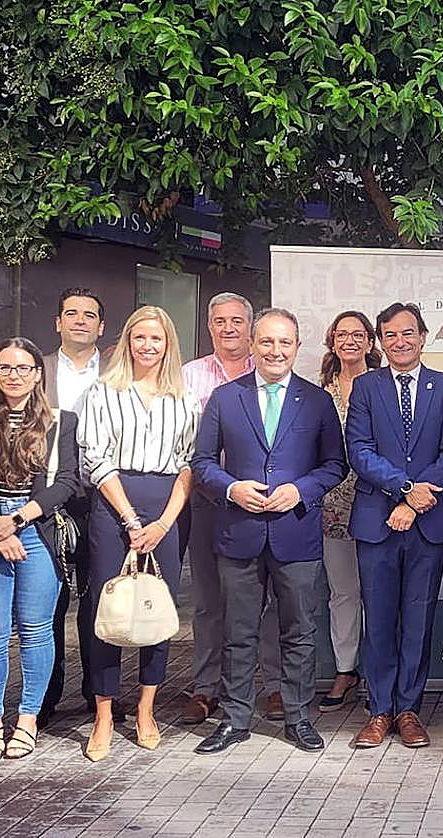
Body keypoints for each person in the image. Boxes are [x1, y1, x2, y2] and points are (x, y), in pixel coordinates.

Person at [191, 308, 348, 754]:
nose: (275, 351)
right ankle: (235, 719)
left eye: (285, 343)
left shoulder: (316, 401)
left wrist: (300, 491)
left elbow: (334, 465)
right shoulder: (225, 397)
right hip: (238, 532)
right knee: (238, 631)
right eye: (267, 342)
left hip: (295, 534)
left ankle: (298, 717)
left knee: (299, 631)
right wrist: (231, 488)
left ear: (297, 347)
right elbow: (201, 463)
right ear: (254, 345)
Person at [79, 306, 201, 761]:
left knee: (156, 607)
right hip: (115, 505)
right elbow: (96, 458)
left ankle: (147, 708)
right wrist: (132, 520)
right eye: (140, 338)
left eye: (157, 339)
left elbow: (189, 462)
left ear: (168, 345)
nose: (148, 346)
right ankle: (104, 713)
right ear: (127, 341)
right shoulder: (101, 393)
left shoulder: (184, 397)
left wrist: (165, 521)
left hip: (167, 507)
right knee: (106, 609)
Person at [0, 338, 81, 759]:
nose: (14, 375)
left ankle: (27, 719)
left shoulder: (61, 420)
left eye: (23, 368)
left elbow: (67, 484)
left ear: (37, 374)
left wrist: (18, 521)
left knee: (36, 630)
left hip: (36, 530)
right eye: (5, 368)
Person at [346, 302, 443, 749]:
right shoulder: (366, 387)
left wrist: (415, 504)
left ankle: (410, 709)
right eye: (390, 335)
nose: (400, 342)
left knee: (417, 618)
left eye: (408, 333)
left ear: (423, 336)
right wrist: (403, 491)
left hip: (427, 522)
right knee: (377, 619)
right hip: (377, 519)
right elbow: (359, 451)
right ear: (380, 340)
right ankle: (379, 710)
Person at [181, 292, 284, 725]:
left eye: (238, 322)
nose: (229, 329)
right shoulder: (187, 377)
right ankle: (206, 687)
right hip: (208, 500)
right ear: (209, 327)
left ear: (252, 329)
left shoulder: (268, 372)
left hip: (267, 502)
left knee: (274, 600)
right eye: (220, 321)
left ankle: (275, 686)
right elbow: (186, 446)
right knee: (209, 600)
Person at [40, 287, 106, 726]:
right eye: (71, 313)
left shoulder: (120, 370)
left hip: (102, 498)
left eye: (89, 314)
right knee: (48, 600)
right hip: (47, 500)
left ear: (101, 327)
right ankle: (44, 695)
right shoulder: (35, 369)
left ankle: (97, 692)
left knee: (98, 599)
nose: (80, 320)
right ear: (58, 322)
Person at [317, 310, 381, 711]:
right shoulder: (318, 392)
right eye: (342, 335)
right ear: (332, 341)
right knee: (343, 592)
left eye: (358, 335)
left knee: (380, 592)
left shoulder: (383, 386)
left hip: (378, 500)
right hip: (332, 504)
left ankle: (377, 671)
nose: (350, 341)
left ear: (371, 342)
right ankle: (345, 669)